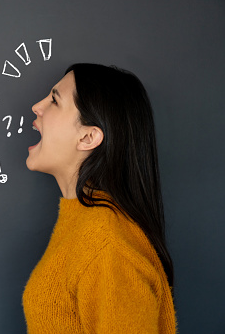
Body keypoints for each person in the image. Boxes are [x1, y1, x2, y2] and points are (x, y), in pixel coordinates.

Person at [22, 63, 177, 333]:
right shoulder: (84, 221)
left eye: (55, 101)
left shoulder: (108, 244)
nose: (37, 106)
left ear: (88, 137)